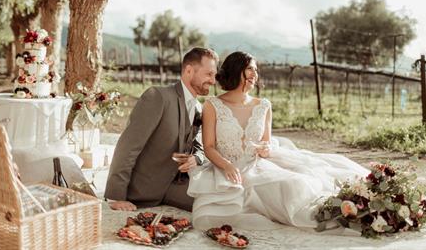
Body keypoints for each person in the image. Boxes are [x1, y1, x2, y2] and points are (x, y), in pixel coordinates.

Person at [187, 51, 368, 230]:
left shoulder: (263, 105)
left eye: (256, 70)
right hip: (225, 169)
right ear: (236, 69)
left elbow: (267, 142)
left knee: (297, 184)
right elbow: (209, 146)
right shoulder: (212, 105)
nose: (255, 75)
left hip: (257, 165)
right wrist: (226, 165)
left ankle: (351, 210)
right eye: (250, 69)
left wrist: (265, 149)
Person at [105, 47, 218, 211]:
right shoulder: (158, 97)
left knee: (219, 201)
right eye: (209, 74)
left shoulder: (199, 108)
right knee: (211, 205)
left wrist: (196, 158)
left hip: (177, 185)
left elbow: (199, 147)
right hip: (142, 191)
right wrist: (116, 197)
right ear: (188, 71)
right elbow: (127, 147)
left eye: (214, 75)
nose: (213, 81)